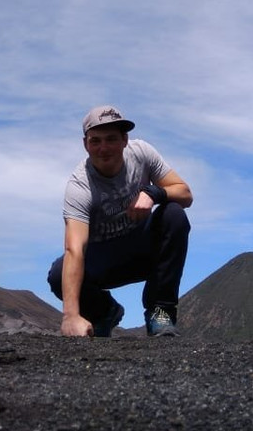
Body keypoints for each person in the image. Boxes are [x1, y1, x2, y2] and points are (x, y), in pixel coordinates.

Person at [47, 106, 193, 338]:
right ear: (85, 144)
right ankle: (105, 312)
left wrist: (154, 193)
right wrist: (70, 316)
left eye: (111, 139)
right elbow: (74, 249)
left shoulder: (142, 154)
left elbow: (185, 194)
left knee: (173, 215)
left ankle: (161, 313)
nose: (103, 148)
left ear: (125, 140)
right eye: (95, 141)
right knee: (57, 274)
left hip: (145, 251)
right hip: (105, 262)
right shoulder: (79, 186)